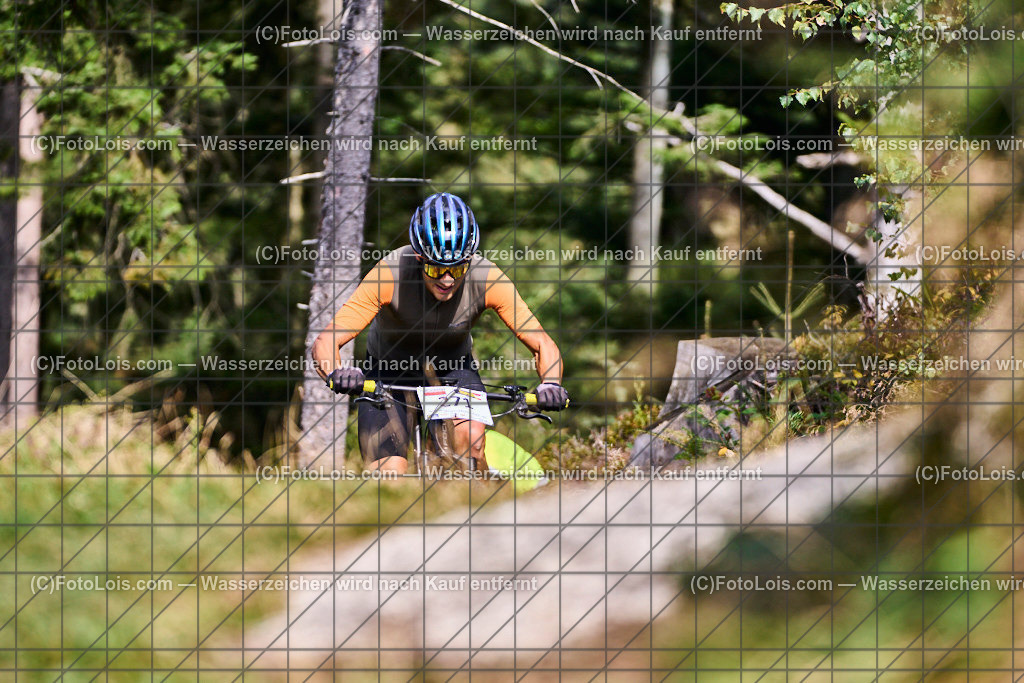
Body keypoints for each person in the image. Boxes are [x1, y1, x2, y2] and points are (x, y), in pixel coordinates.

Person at [311, 192, 569, 474]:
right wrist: (337, 372)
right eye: (436, 269)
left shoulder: (487, 277)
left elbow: (542, 342)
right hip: (386, 373)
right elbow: (327, 340)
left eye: (457, 269)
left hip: (453, 371)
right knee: (387, 476)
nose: (447, 280)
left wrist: (551, 384)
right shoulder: (389, 273)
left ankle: (484, 499)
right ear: (420, 258)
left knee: (468, 444)